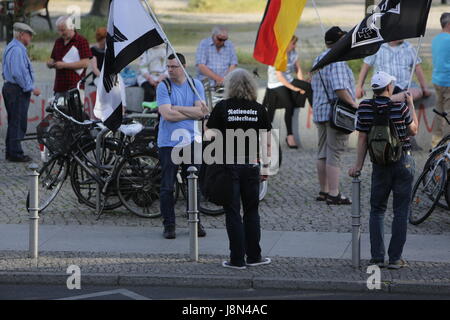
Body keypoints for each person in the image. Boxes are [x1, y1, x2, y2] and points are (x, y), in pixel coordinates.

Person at [349, 71, 418, 269]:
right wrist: (410, 104)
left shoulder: (364, 108)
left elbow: (362, 138)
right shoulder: (400, 107)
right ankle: (395, 259)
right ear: (389, 88)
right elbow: (414, 130)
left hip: (379, 164)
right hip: (403, 161)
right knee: (400, 211)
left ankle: (377, 258)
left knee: (377, 211)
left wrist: (358, 166)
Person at [206, 68, 272, 269]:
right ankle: (254, 257)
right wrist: (266, 167)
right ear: (252, 86)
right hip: (251, 165)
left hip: (228, 167)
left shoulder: (223, 107)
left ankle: (236, 259)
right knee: (252, 212)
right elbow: (267, 143)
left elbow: (209, 136)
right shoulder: (258, 109)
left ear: (229, 86)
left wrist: (206, 122)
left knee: (232, 212)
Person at [156, 53, 209, 239]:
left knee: (193, 183)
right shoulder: (163, 86)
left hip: (191, 140)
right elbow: (167, 115)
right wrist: (191, 112)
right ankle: (169, 225)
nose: (170, 70)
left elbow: (202, 112)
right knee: (167, 186)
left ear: (184, 67)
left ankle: (195, 222)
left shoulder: (196, 85)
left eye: (174, 67)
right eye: (168, 66)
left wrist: (176, 108)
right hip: (168, 142)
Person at [311, 26, 358, 205]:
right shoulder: (337, 60)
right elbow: (339, 89)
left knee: (323, 152)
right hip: (336, 115)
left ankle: (323, 191)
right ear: (340, 42)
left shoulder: (319, 58)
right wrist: (353, 104)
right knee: (334, 153)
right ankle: (334, 193)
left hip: (321, 111)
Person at [2, 23, 41, 162]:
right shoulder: (17, 50)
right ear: (21, 34)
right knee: (18, 122)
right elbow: (18, 74)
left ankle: (11, 151)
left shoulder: (13, 47)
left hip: (11, 88)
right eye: (29, 35)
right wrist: (30, 87)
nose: (30, 38)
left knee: (14, 121)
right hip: (16, 90)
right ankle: (15, 153)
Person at [265, 35, 313, 148]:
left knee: (308, 86)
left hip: (288, 79)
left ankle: (315, 110)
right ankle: (289, 136)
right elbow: (279, 76)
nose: (294, 46)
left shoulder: (293, 53)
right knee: (289, 105)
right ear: (286, 44)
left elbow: (298, 69)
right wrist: (295, 89)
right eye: (293, 44)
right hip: (276, 83)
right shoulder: (279, 55)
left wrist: (302, 83)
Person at [356, 40, 431, 102]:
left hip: (404, 86)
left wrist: (424, 88)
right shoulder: (377, 46)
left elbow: (417, 68)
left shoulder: (409, 47)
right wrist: (359, 87)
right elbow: (366, 66)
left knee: (417, 92)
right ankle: (386, 98)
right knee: (381, 92)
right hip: (384, 86)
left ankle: (388, 100)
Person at [47, 15, 92, 98]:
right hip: (59, 87)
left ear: (71, 27)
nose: (60, 33)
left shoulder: (81, 41)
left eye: (63, 30)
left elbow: (85, 63)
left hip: (75, 86)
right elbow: (54, 59)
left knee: (74, 111)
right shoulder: (58, 42)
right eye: (59, 31)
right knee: (58, 110)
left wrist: (64, 65)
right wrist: (51, 64)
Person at [89, 27, 127, 109]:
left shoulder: (110, 49)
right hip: (99, 76)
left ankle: (122, 107)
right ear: (100, 39)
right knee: (108, 86)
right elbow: (95, 69)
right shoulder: (93, 50)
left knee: (120, 81)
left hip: (111, 74)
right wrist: (104, 76)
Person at [431, 12, 450, 147]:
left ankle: (436, 141)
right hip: (449, 81)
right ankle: (448, 143)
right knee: (449, 114)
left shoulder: (435, 39)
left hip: (437, 80)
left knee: (438, 112)